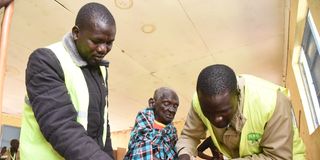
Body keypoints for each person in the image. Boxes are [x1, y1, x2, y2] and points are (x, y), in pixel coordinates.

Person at [19, 2, 116, 160]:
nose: (103, 49)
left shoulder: (100, 71)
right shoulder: (45, 60)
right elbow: (60, 126)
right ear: (76, 33)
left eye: (109, 43)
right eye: (97, 41)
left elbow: (104, 128)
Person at [176, 64, 306, 159]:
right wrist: (185, 154)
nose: (216, 120)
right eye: (209, 113)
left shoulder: (272, 103)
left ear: (237, 95)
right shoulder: (200, 102)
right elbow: (189, 136)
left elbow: (278, 157)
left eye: (224, 112)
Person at [124, 87, 180, 160]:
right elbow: (142, 152)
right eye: (166, 103)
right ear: (152, 103)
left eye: (175, 106)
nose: (172, 110)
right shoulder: (142, 125)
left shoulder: (172, 133)